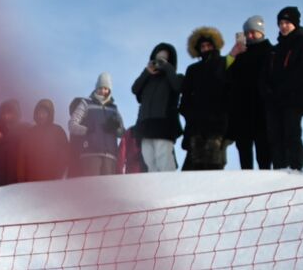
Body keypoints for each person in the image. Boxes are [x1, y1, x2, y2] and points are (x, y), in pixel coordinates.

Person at [264, 6, 303, 171]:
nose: (284, 26)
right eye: (281, 23)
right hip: (274, 100)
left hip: (294, 99)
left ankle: (296, 166)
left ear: (295, 23)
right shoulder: (275, 49)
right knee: (275, 136)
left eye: (287, 22)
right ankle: (279, 168)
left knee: (292, 133)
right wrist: (268, 91)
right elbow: (265, 75)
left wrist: (285, 88)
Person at [179, 26, 231, 171]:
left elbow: (229, 91)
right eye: (202, 46)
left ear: (215, 46)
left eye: (209, 45)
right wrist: (189, 114)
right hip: (196, 125)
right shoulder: (192, 69)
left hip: (217, 123)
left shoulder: (223, 63)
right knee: (192, 167)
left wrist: (224, 114)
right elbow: (185, 96)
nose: (206, 48)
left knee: (214, 165)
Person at [226, 16, 274, 169]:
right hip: (242, 108)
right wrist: (233, 54)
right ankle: (246, 180)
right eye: (248, 33)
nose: (250, 36)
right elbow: (225, 73)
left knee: (264, 150)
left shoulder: (271, 51)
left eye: (254, 32)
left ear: (262, 32)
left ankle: (266, 180)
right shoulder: (240, 53)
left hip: (262, 107)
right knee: (244, 149)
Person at [130, 43, 183, 172]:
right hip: (145, 124)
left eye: (163, 59)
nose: (159, 62)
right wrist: (147, 72)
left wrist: (167, 67)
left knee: (163, 158)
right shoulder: (148, 79)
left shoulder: (175, 77)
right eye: (157, 58)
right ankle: (155, 189)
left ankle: (170, 187)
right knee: (148, 159)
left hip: (163, 124)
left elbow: (178, 87)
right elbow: (135, 89)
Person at [68, 73, 125, 176]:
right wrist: (87, 130)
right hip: (90, 154)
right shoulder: (86, 104)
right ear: (96, 88)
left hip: (110, 156)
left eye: (106, 88)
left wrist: (115, 129)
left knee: (107, 190)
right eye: (100, 88)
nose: (103, 91)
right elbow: (72, 125)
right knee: (92, 189)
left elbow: (122, 133)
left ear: (109, 90)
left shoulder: (114, 109)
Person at [19, 98, 72, 181]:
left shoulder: (58, 131)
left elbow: (64, 155)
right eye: (39, 112)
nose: (41, 116)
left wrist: (59, 174)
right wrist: (22, 178)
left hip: (52, 180)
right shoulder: (30, 132)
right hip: (31, 181)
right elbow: (22, 157)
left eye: (44, 113)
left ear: (50, 114)